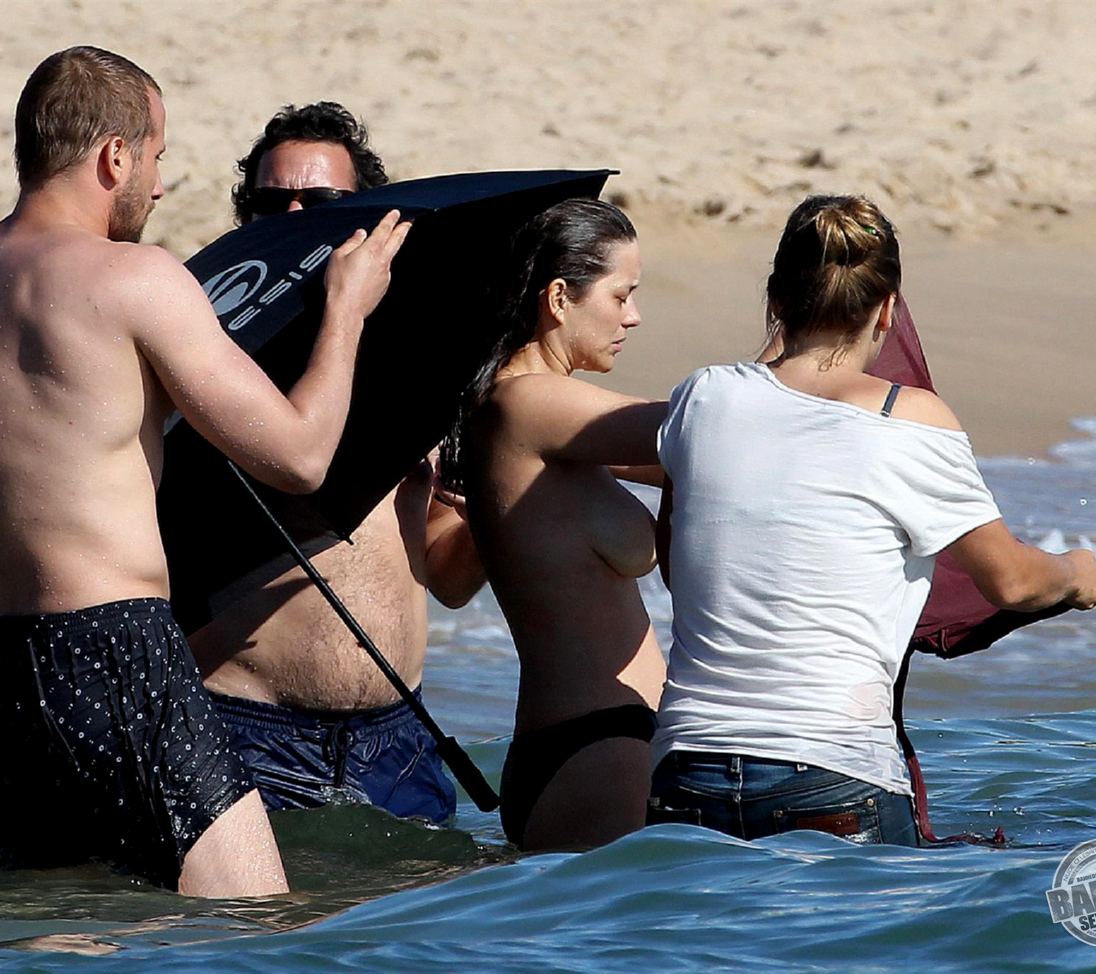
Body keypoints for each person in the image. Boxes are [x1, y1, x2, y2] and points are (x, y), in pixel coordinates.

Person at [0, 49, 407, 895]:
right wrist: (346, 313)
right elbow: (298, 458)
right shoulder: (136, 279)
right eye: (156, 157)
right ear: (115, 155)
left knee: (60, 923)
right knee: (254, 912)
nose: (156, 187)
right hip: (113, 648)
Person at [647, 195, 1096, 846]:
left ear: (775, 298)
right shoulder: (910, 420)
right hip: (832, 772)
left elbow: (677, 565)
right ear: (888, 309)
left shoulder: (702, 395)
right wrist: (1078, 573)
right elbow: (1011, 582)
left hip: (685, 769)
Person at [189, 103, 485, 825]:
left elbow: (448, 579)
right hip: (250, 728)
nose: (295, 214)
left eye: (319, 200)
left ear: (369, 215)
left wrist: (483, 514)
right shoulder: (215, 348)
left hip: (399, 736)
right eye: (273, 202)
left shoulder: (419, 365)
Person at [450, 197, 667, 852]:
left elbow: (692, 460)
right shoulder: (528, 401)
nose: (633, 315)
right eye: (620, 295)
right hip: (596, 747)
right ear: (559, 298)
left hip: (591, 743)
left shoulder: (543, 421)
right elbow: (703, 429)